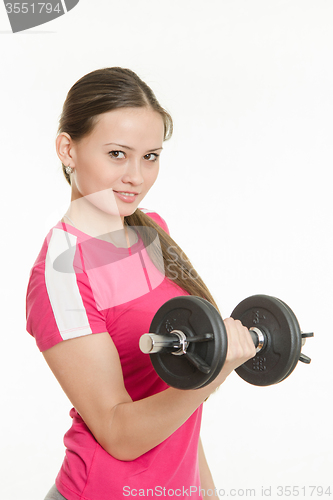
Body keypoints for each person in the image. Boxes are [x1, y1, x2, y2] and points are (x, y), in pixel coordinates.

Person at [26, 67, 256, 500]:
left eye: (150, 156)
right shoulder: (61, 276)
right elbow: (118, 432)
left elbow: (175, 405)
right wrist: (218, 368)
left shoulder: (153, 236)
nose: (137, 175)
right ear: (67, 149)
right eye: (117, 154)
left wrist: (206, 493)